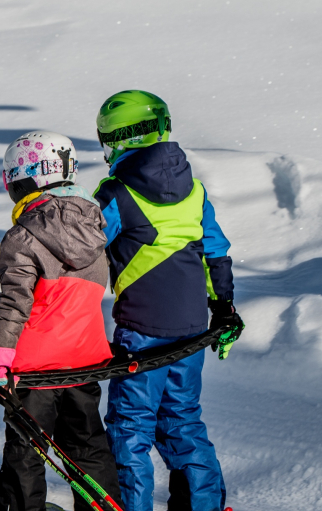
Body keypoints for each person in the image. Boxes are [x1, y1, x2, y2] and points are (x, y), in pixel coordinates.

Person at [92, 90, 244, 511]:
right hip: (192, 329)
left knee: (131, 427)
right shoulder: (194, 190)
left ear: (118, 141)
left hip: (142, 332)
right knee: (182, 419)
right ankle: (204, 505)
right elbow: (215, 251)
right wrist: (224, 306)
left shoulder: (116, 194)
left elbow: (83, 250)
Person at [0, 131, 126, 511]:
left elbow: (14, 303)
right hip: (83, 359)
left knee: (27, 447)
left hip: (33, 369)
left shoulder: (21, 237)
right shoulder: (95, 229)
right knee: (87, 444)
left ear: (25, 180)